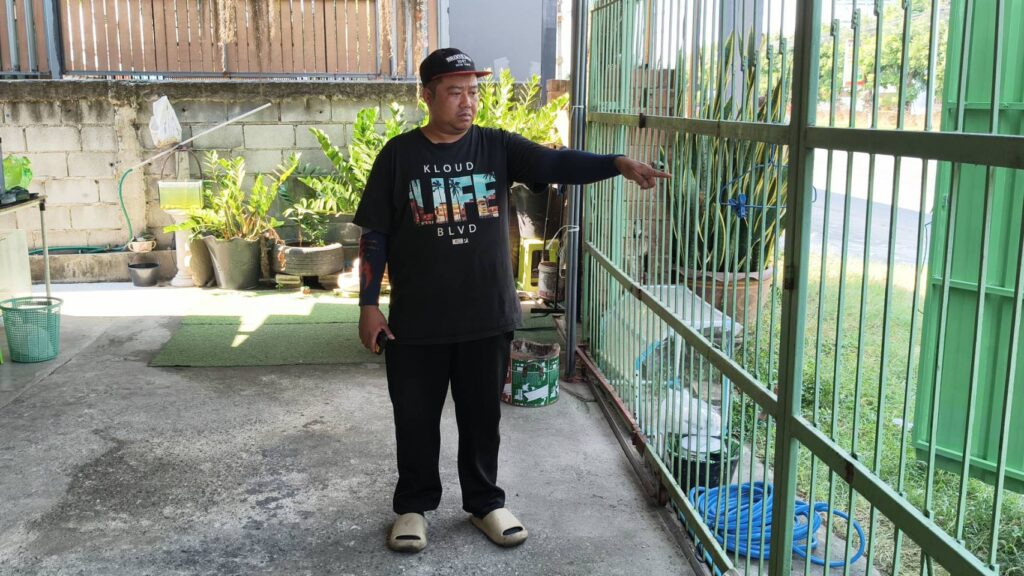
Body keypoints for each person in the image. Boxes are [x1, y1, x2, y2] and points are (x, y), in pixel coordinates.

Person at [354, 47, 669, 553]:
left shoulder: (497, 146)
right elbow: (375, 234)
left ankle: (484, 503)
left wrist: (616, 164)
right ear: (427, 95)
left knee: (483, 419)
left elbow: (554, 161)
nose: (467, 102)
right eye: (454, 92)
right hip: (417, 322)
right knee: (414, 418)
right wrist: (369, 305)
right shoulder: (399, 156)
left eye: (473, 91)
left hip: (486, 316)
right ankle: (413, 507)